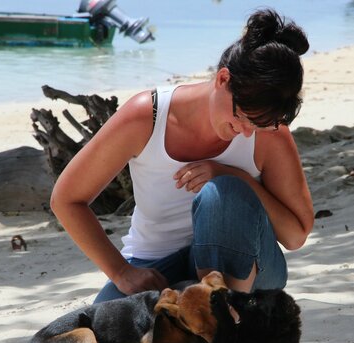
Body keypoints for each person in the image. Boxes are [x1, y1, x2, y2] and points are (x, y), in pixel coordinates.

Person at [51, 8, 314, 303]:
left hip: (250, 270)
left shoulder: (269, 132)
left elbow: (295, 235)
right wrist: (121, 272)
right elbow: (66, 199)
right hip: (158, 266)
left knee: (223, 193)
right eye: (243, 117)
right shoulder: (146, 116)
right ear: (223, 79)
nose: (247, 132)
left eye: (258, 124)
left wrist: (236, 177)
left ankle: (225, 325)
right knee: (105, 329)